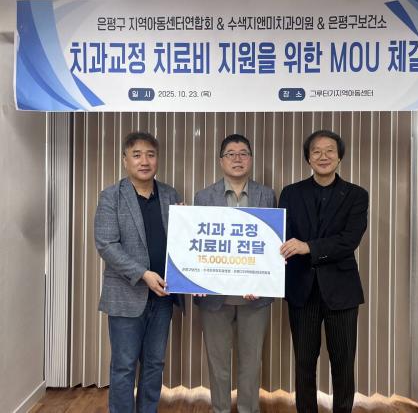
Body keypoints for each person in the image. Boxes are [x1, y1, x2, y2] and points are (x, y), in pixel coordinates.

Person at [279, 130, 368, 413]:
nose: (323, 156)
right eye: (316, 151)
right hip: (301, 289)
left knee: (343, 362)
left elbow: (349, 240)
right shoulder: (291, 193)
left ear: (339, 156)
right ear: (308, 158)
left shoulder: (356, 195)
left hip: (341, 291)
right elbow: (282, 237)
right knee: (304, 363)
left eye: (330, 150)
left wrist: (308, 247)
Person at [94, 131, 183, 413]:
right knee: (124, 366)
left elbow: (182, 243)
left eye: (150, 155)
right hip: (126, 295)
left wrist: (187, 224)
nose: (144, 161)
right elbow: (107, 245)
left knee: (155, 363)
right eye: (137, 155)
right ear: (125, 160)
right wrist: (143, 274)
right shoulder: (111, 196)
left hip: (164, 295)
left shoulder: (170, 195)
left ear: (158, 159)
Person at [194, 134, 276, 413]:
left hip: (255, 297)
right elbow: (198, 244)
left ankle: (248, 410)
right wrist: (196, 279)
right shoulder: (203, 196)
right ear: (221, 161)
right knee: (218, 364)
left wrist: (262, 282)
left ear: (251, 159)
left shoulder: (267, 195)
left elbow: (271, 245)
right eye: (231, 154)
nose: (237, 159)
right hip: (214, 297)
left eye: (243, 153)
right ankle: (219, 409)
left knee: (251, 364)